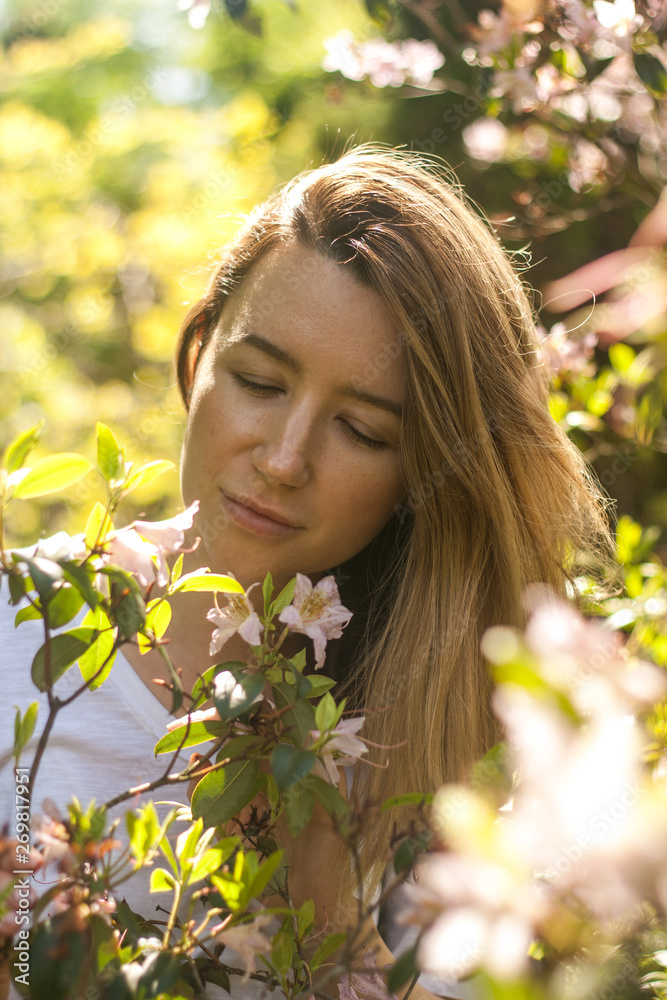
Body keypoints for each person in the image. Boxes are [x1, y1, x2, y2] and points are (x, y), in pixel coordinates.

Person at [0, 144, 614, 999]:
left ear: (423, 478)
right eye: (258, 381)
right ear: (198, 354)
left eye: (362, 431)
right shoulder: (15, 632)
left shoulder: (474, 757)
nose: (284, 460)